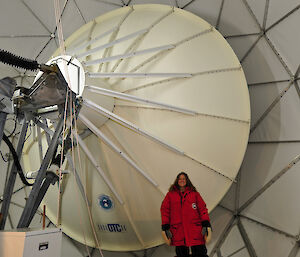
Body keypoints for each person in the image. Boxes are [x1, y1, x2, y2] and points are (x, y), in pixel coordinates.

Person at [160, 172, 212, 257]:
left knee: (200, 252)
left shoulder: (194, 193)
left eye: (183, 179)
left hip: (195, 229)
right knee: (181, 253)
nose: (182, 180)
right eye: (180, 179)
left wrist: (206, 222)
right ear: (177, 180)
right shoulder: (170, 195)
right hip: (178, 230)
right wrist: (165, 225)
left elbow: (202, 209)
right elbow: (165, 210)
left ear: (187, 180)